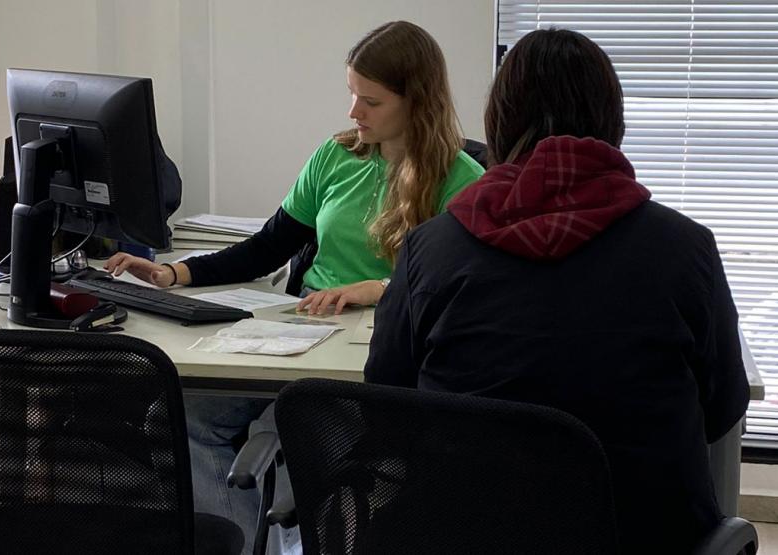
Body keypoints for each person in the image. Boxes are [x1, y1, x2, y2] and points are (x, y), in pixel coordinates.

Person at [365, 28, 750, 553]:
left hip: (465, 532)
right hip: (637, 537)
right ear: (612, 120)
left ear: (500, 122)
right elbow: (723, 407)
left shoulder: (430, 249)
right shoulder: (685, 249)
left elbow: (387, 405)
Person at [105, 20, 485, 552]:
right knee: (178, 416)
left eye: (371, 101)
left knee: (291, 437)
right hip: (300, 334)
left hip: (369, 354)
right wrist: (175, 273)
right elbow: (268, 246)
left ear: (416, 102)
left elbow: (455, 283)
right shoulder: (337, 156)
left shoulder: (463, 180)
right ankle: (243, 543)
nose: (353, 112)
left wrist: (380, 287)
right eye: (351, 94)